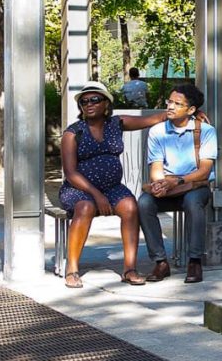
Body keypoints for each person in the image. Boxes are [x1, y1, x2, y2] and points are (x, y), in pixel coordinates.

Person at [57, 81, 167, 289]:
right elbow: (70, 173)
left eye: (94, 100)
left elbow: (154, 118)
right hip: (79, 189)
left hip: (112, 187)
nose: (88, 104)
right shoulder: (73, 133)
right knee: (85, 207)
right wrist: (96, 194)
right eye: (84, 101)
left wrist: (191, 114)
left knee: (130, 206)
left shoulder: (116, 123)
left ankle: (129, 268)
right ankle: (72, 269)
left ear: (106, 103)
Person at [137, 83, 219, 284]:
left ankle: (194, 260)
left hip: (195, 186)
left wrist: (177, 180)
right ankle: (160, 262)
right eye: (169, 101)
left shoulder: (206, 131)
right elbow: (156, 170)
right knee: (144, 202)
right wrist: (160, 184)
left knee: (193, 202)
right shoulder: (157, 131)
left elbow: (204, 171)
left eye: (177, 103)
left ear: (191, 110)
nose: (170, 107)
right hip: (168, 187)